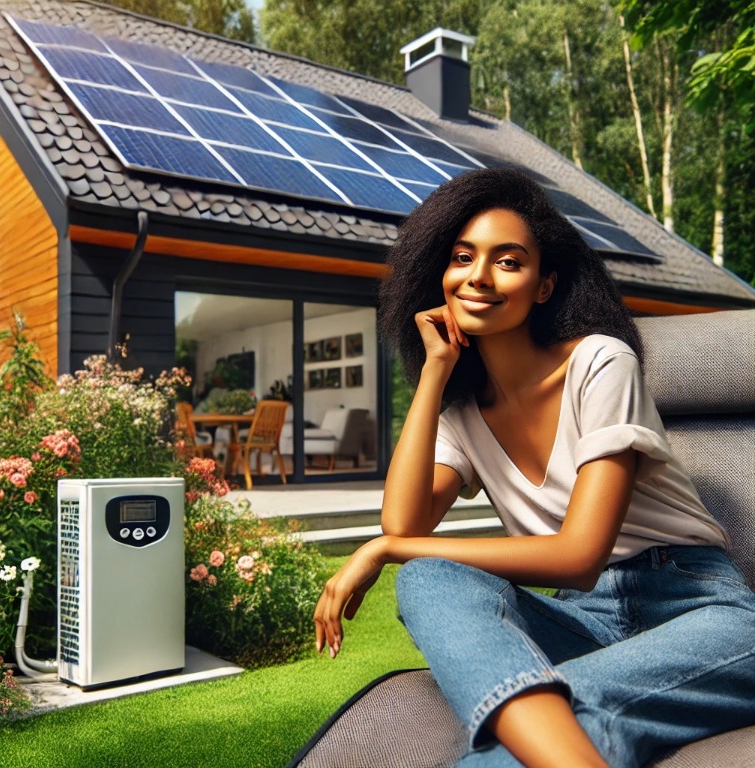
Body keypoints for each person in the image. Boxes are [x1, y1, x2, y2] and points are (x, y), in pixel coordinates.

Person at [312, 167, 755, 768]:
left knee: (572, 706)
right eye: (463, 257)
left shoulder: (602, 362)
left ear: (544, 286)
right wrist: (434, 372)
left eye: (508, 261)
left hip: (700, 610)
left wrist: (388, 550)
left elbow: (578, 556)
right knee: (429, 577)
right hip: (585, 621)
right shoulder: (462, 414)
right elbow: (403, 519)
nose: (477, 277)